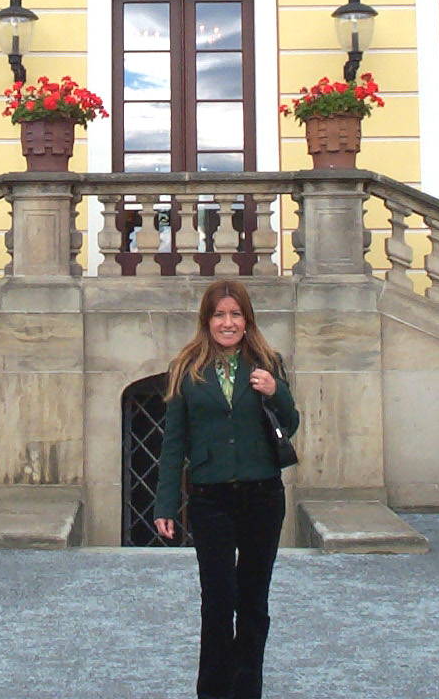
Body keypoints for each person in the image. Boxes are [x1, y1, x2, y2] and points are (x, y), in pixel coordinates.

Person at [153, 278, 300, 699]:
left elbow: (290, 424)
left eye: (235, 314)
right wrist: (165, 504)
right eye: (219, 315)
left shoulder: (267, 362)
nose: (228, 323)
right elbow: (174, 443)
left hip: (262, 495)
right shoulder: (186, 368)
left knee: (253, 602)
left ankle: (246, 690)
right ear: (207, 320)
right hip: (210, 498)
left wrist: (276, 392)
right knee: (218, 601)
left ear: (247, 319)